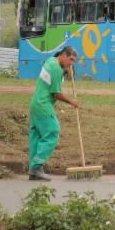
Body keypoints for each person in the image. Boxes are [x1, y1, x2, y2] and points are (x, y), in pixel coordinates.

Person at [28, 46, 79, 181]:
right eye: (70, 60)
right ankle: (37, 166)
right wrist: (72, 102)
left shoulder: (50, 61)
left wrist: (65, 70)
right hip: (44, 105)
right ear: (63, 55)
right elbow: (56, 94)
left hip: (35, 104)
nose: (71, 64)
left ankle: (34, 169)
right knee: (52, 131)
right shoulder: (56, 69)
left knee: (37, 136)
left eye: (73, 61)